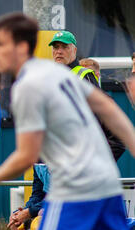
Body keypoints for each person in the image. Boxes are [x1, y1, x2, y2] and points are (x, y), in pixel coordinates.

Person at [0, 12, 135, 230]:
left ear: (21, 47)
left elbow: (27, 154)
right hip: (104, 180)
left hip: (76, 184)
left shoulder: (29, 85)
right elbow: (110, 110)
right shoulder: (59, 75)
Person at [49, 30, 126, 161]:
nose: (59, 51)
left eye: (64, 47)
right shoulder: (49, 78)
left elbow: (101, 124)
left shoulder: (84, 76)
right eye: (56, 47)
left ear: (74, 50)